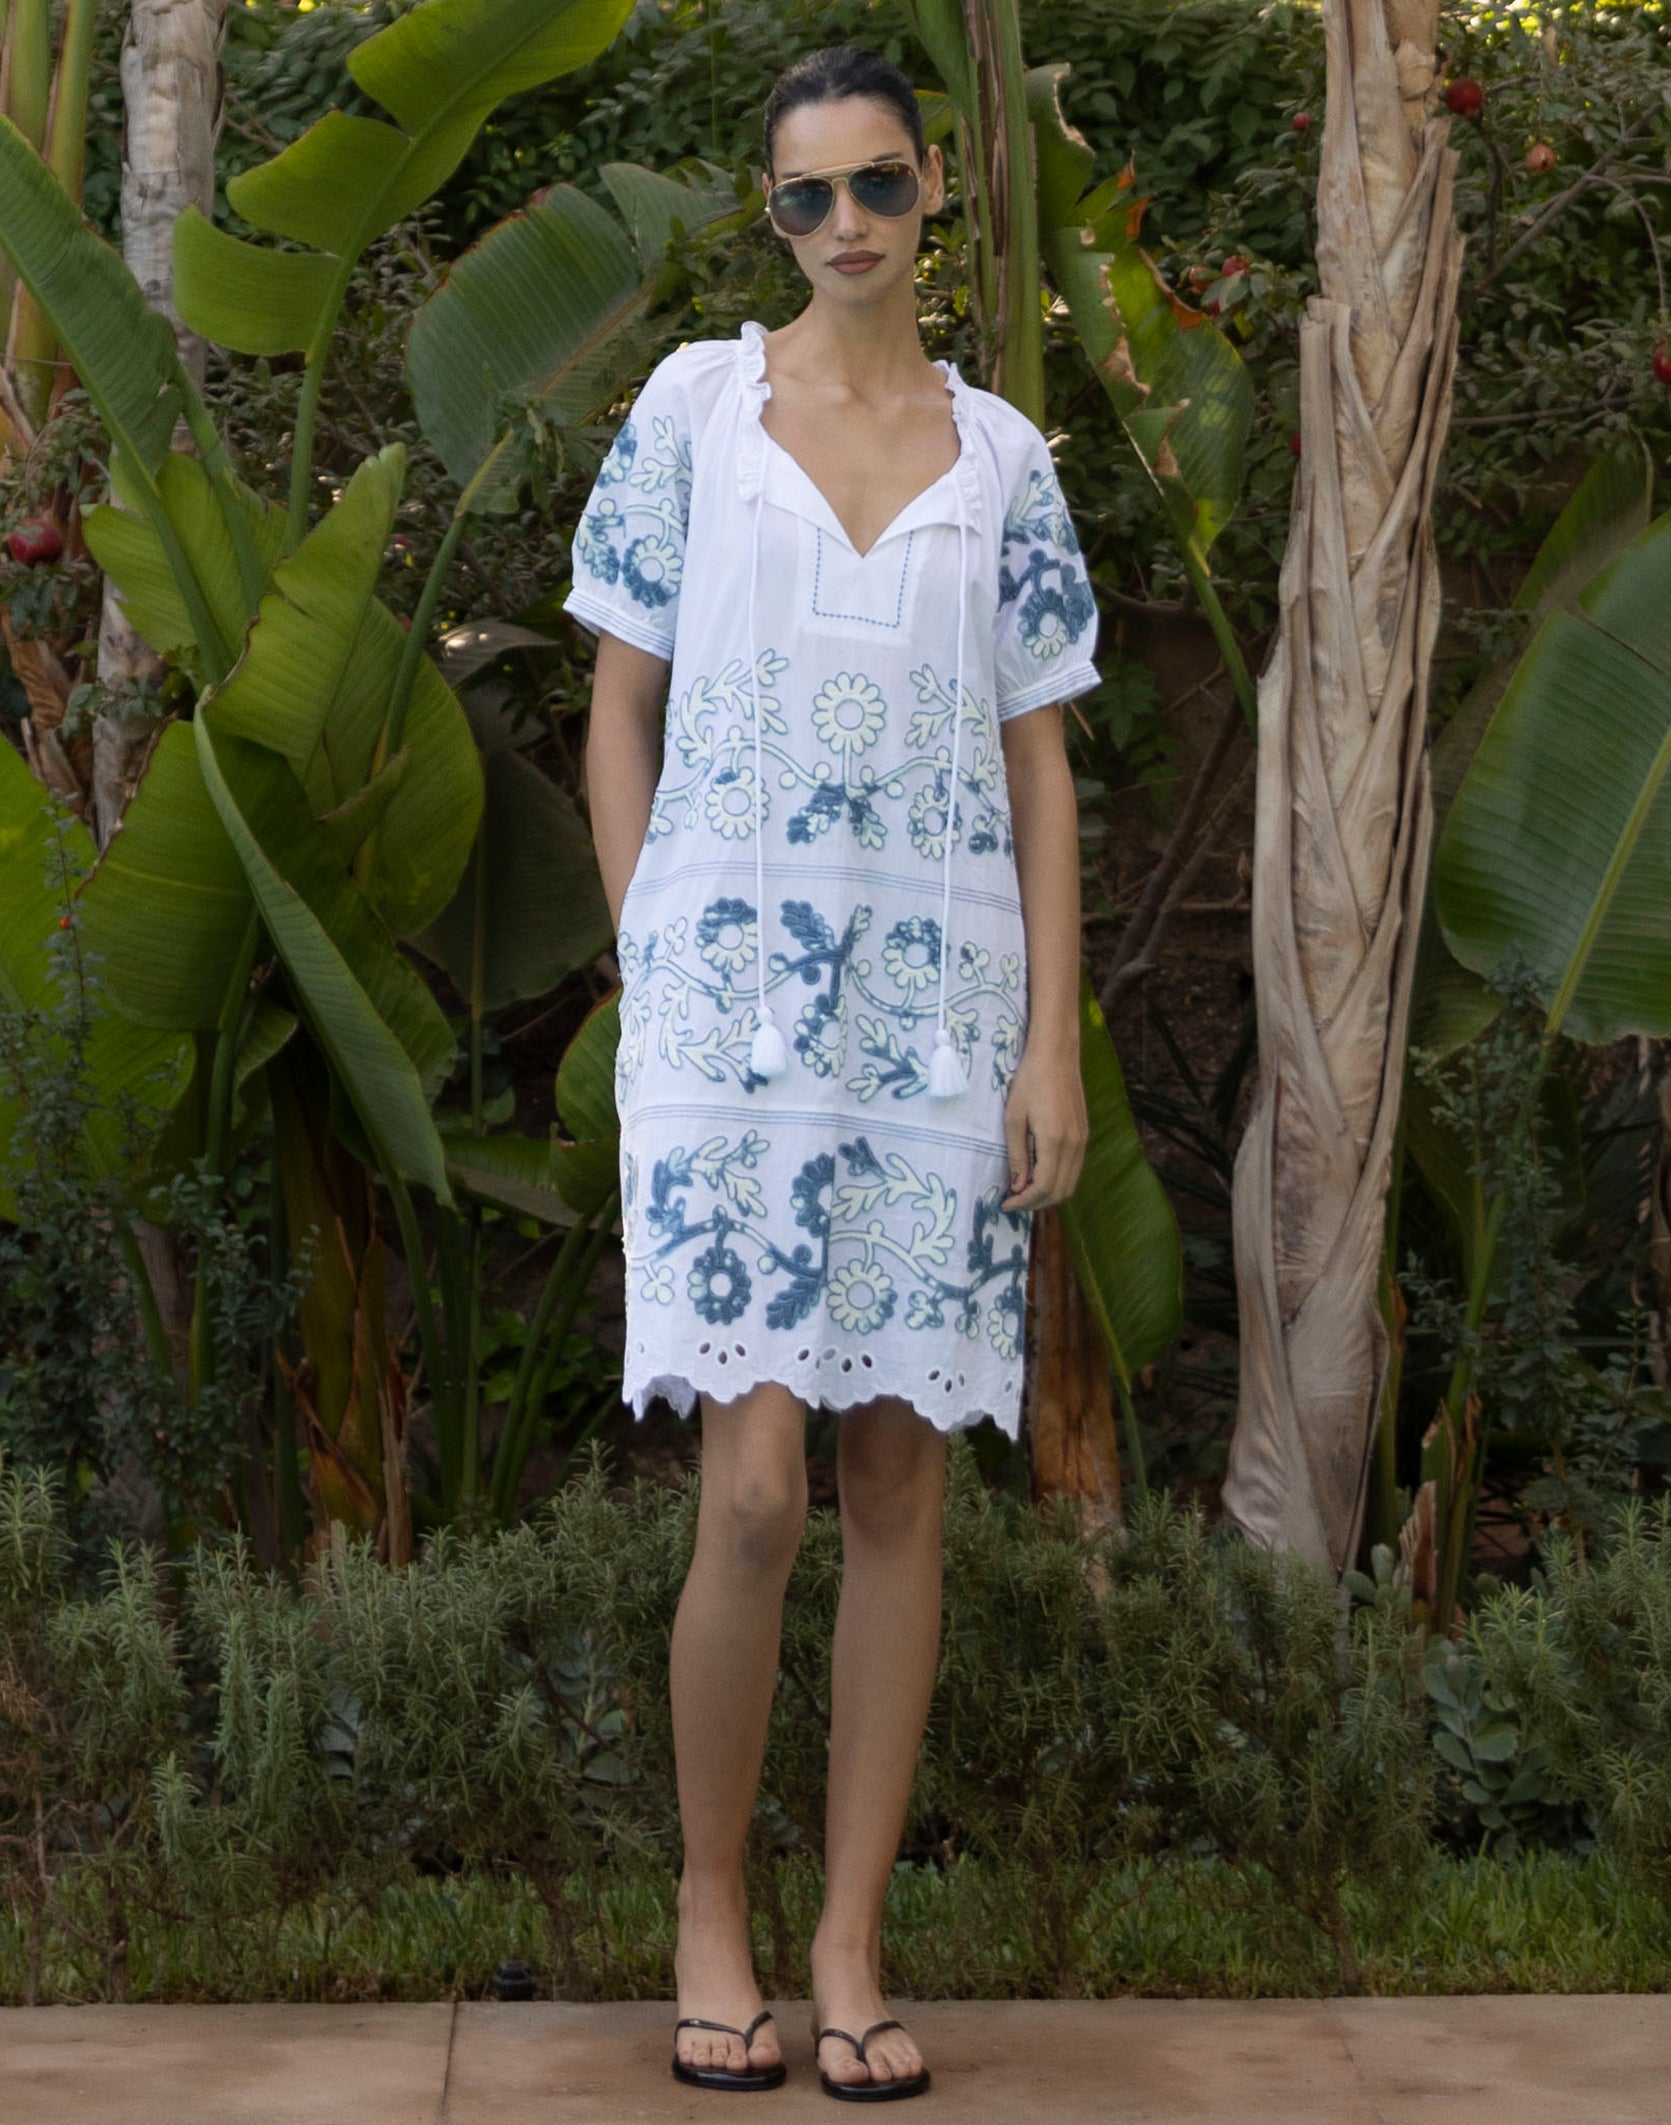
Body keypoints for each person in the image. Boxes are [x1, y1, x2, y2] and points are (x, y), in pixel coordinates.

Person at [569, 43, 1101, 2102]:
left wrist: (1047, 1036)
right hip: (725, 1022)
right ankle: (709, 1902)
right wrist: (649, 955)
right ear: (766, 214)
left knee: (896, 1484)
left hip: (935, 1026)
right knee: (757, 1483)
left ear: (932, 189)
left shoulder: (1005, 457)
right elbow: (616, 707)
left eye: (873, 187)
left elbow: (1039, 766)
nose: (842, 228)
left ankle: (848, 1937)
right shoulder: (694, 415)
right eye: (802, 200)